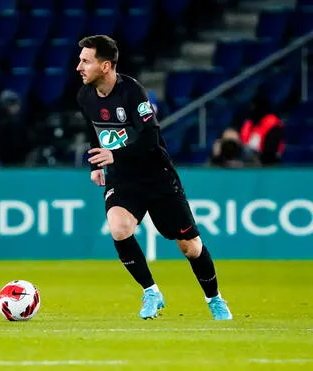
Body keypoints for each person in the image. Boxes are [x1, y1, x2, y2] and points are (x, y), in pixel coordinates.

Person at [75, 35, 232, 320]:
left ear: (106, 65)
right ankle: (151, 292)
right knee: (119, 228)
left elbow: (150, 138)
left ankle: (214, 299)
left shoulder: (132, 92)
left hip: (157, 177)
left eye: (86, 61)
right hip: (124, 178)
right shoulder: (85, 96)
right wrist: (95, 164)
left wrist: (115, 155)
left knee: (190, 246)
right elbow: (92, 130)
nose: (79, 67)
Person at [239, 95, 285, 165]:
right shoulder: (249, 122)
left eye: (253, 106)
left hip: (267, 163)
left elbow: (271, 150)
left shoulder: (272, 123)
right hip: (247, 161)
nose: (251, 109)